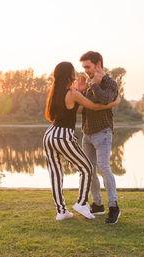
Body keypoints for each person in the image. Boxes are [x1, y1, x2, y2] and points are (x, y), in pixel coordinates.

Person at [43, 61, 121, 221]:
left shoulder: (56, 93)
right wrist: (115, 102)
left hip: (49, 135)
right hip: (62, 136)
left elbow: (76, 110)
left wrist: (80, 92)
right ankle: (82, 203)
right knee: (86, 168)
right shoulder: (72, 93)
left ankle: (61, 211)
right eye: (73, 70)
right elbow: (93, 106)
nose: (76, 72)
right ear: (68, 74)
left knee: (56, 174)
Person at [77, 51, 121, 224]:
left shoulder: (109, 83)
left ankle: (114, 207)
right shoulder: (89, 83)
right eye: (84, 67)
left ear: (98, 64)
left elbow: (104, 101)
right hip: (87, 134)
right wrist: (80, 92)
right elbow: (85, 107)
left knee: (103, 168)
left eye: (88, 66)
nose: (86, 70)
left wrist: (94, 85)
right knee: (89, 170)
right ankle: (97, 204)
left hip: (102, 132)